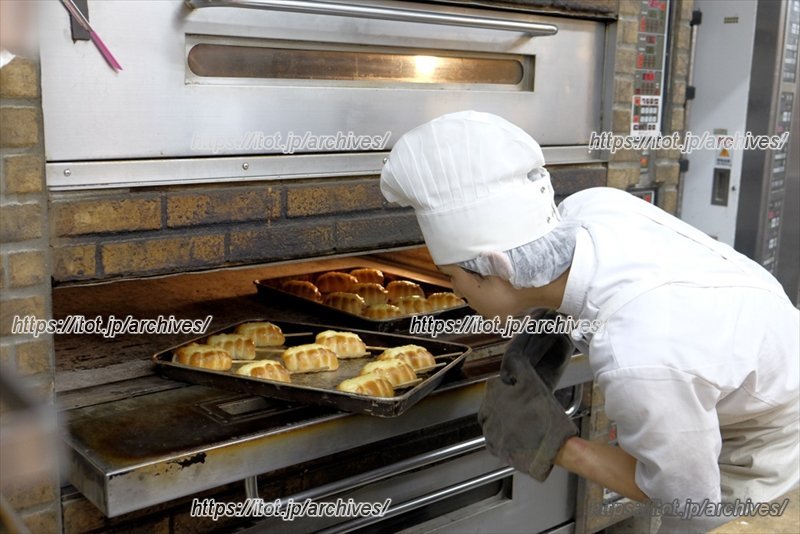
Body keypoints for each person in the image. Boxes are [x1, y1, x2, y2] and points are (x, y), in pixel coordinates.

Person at [380, 110, 800, 532]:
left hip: (766, 447)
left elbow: (684, 496)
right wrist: (543, 331)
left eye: (452, 276)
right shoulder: (590, 207)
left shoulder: (640, 357)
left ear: (496, 268)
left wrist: (558, 445)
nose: (454, 292)